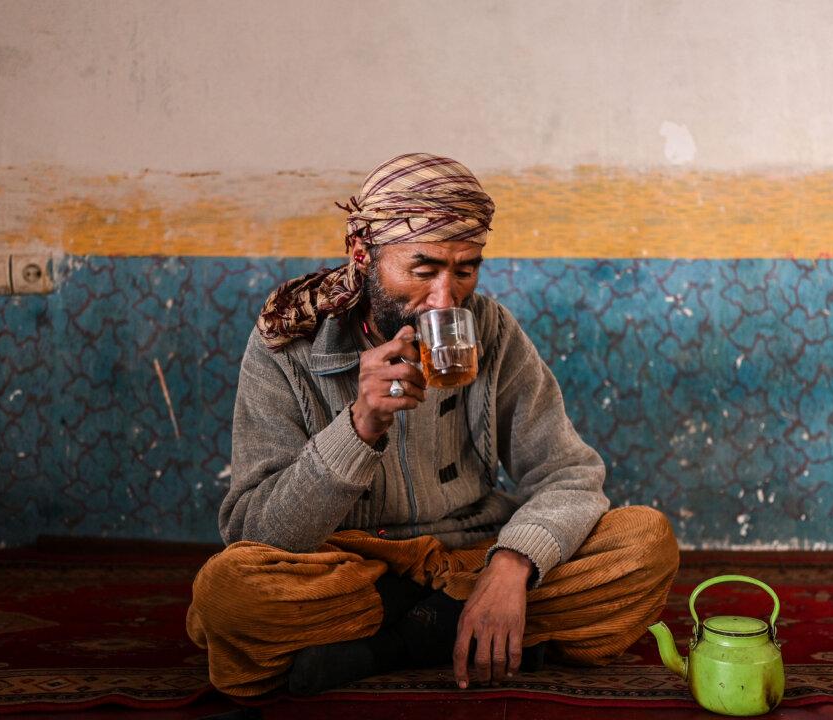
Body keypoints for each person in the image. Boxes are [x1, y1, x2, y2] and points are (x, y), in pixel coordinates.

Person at [186, 153, 679, 698]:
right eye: (423, 271)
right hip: (352, 568)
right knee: (230, 595)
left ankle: (395, 641)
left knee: (644, 543)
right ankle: (455, 629)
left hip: (473, 554)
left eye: (465, 270)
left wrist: (512, 565)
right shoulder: (289, 346)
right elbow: (253, 532)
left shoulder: (491, 330)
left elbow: (569, 474)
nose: (446, 299)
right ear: (363, 256)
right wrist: (359, 426)